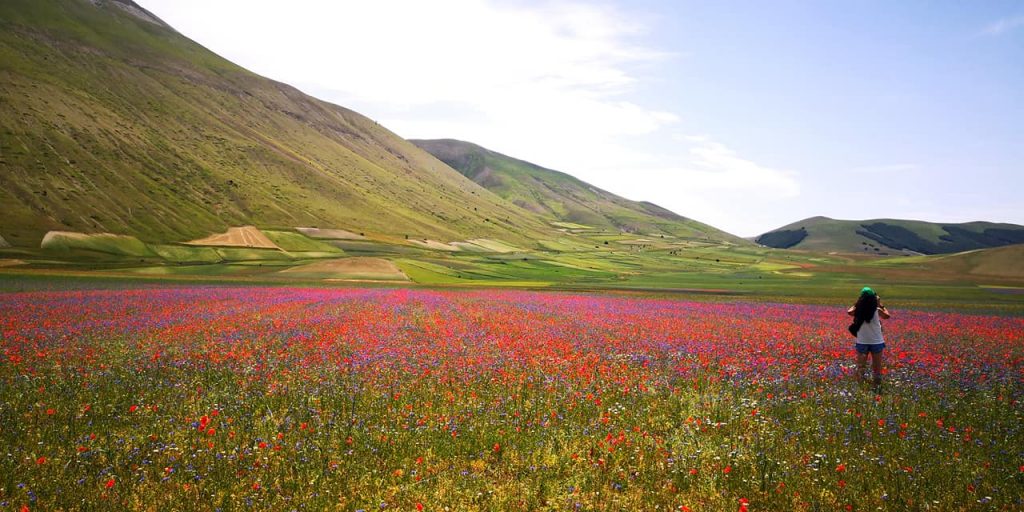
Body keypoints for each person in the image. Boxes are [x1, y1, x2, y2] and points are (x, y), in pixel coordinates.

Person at [847, 286, 890, 387]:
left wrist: (857, 303)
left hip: (862, 342)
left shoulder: (858, 310)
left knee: (861, 368)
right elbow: (887, 316)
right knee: (877, 369)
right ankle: (877, 387)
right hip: (877, 342)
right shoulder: (877, 309)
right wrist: (881, 304)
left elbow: (849, 311)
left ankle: (861, 387)